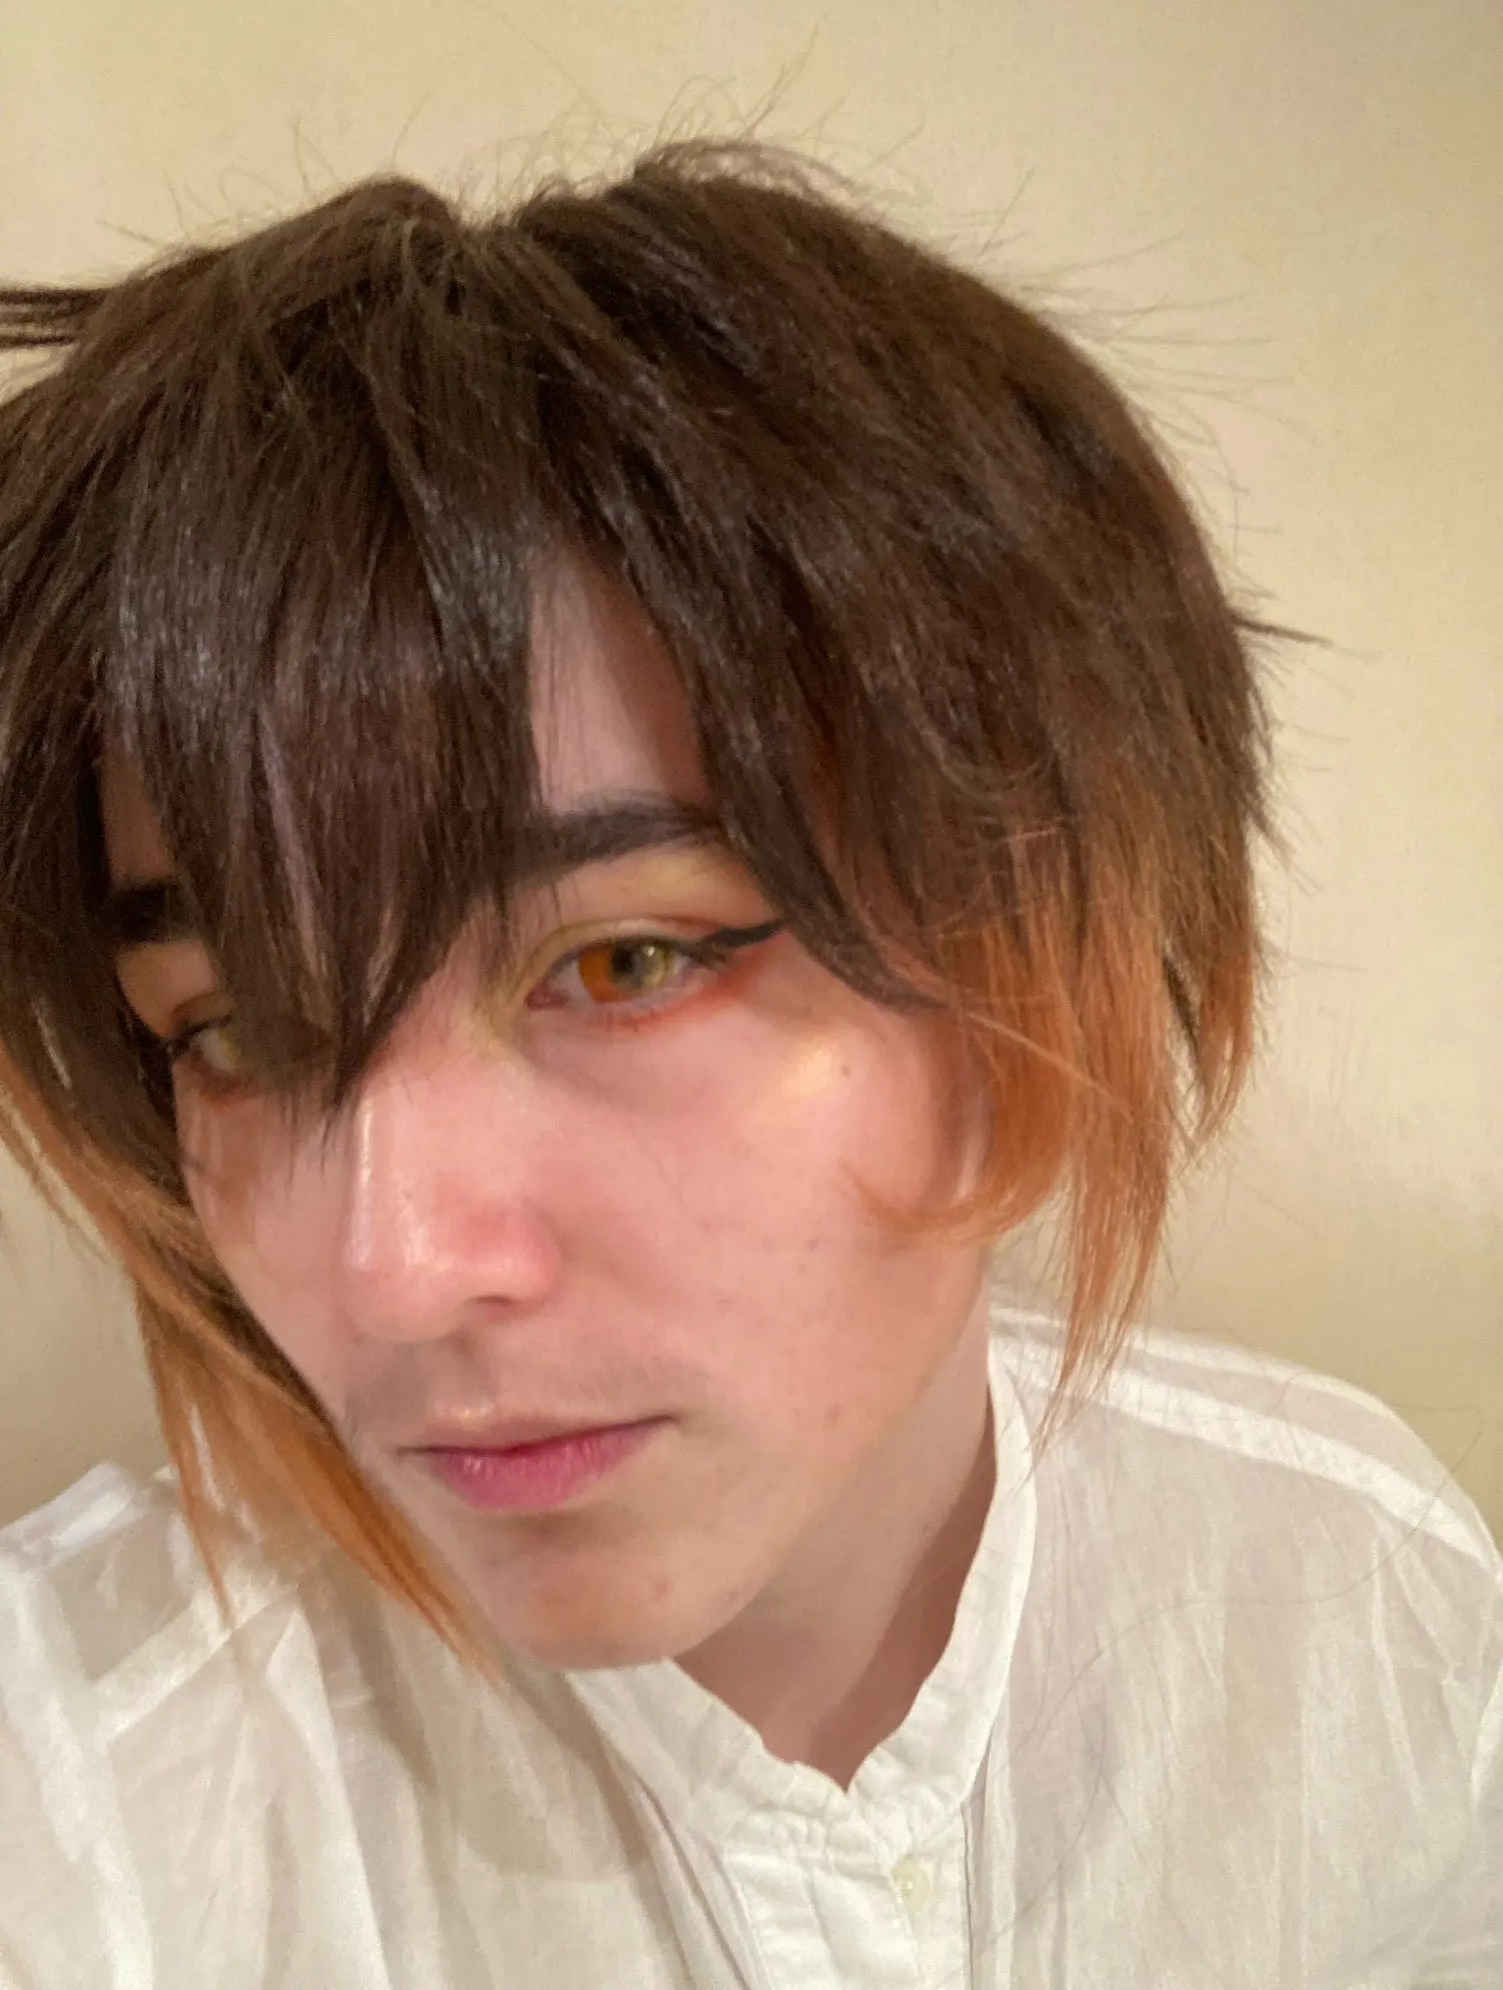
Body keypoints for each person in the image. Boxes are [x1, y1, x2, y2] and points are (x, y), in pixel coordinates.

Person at [0, 141, 1496, 1989]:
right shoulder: (90, 1800)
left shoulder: (1350, 1599)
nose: (391, 1273)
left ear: (1048, 923)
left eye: (623, 963)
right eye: (234, 1035)